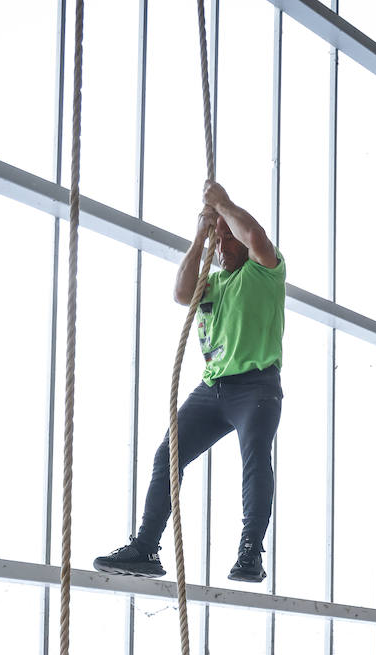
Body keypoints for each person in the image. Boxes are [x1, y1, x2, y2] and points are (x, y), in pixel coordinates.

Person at [94, 180, 285, 583]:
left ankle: (250, 551)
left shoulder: (265, 270)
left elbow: (256, 236)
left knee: (254, 457)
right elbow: (182, 292)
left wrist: (224, 205)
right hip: (213, 390)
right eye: (217, 241)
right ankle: (145, 548)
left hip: (256, 388)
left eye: (224, 238)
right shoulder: (212, 284)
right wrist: (201, 234)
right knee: (168, 453)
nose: (220, 246)